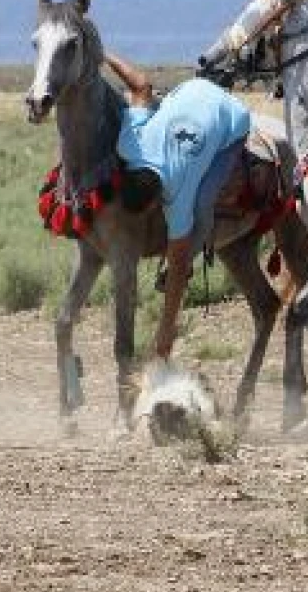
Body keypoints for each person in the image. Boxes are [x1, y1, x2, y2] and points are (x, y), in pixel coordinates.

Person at [104, 51, 250, 361]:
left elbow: (179, 257)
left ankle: (205, 242)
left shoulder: (178, 193)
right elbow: (141, 86)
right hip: (192, 88)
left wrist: (166, 329)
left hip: (232, 119)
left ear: (156, 203)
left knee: (202, 205)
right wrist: (103, 55)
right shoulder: (131, 144)